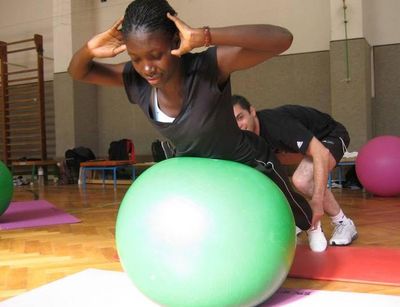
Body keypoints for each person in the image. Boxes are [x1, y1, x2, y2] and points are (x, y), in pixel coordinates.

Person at [68, 0, 315, 239]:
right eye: (136, 58)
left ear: (176, 40)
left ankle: (314, 228)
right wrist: (90, 48)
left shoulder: (207, 67)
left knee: (295, 213)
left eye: (156, 55)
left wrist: (205, 36)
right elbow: (79, 71)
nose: (147, 68)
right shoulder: (136, 81)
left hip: (247, 162)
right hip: (199, 170)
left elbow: (282, 39)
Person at [232, 95, 358, 252]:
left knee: (303, 180)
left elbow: (320, 153)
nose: (239, 126)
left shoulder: (277, 125)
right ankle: (299, 221)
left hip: (330, 135)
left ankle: (343, 223)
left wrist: (317, 202)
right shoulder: (247, 139)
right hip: (307, 146)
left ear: (252, 112)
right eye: (233, 122)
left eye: (241, 117)